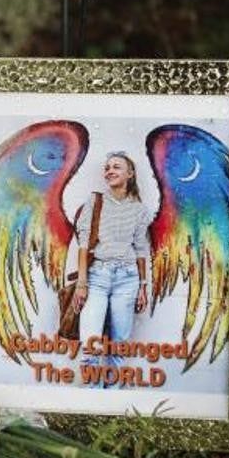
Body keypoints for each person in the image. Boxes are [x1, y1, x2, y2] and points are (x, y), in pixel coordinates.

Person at [71, 151, 154, 371]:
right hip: (97, 276)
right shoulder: (95, 200)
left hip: (128, 279)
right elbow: (83, 243)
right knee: (90, 345)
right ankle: (93, 399)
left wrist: (143, 287)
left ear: (130, 174)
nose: (110, 171)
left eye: (116, 167)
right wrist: (81, 283)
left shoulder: (139, 209)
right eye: (107, 168)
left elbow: (141, 250)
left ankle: (113, 396)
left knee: (119, 346)